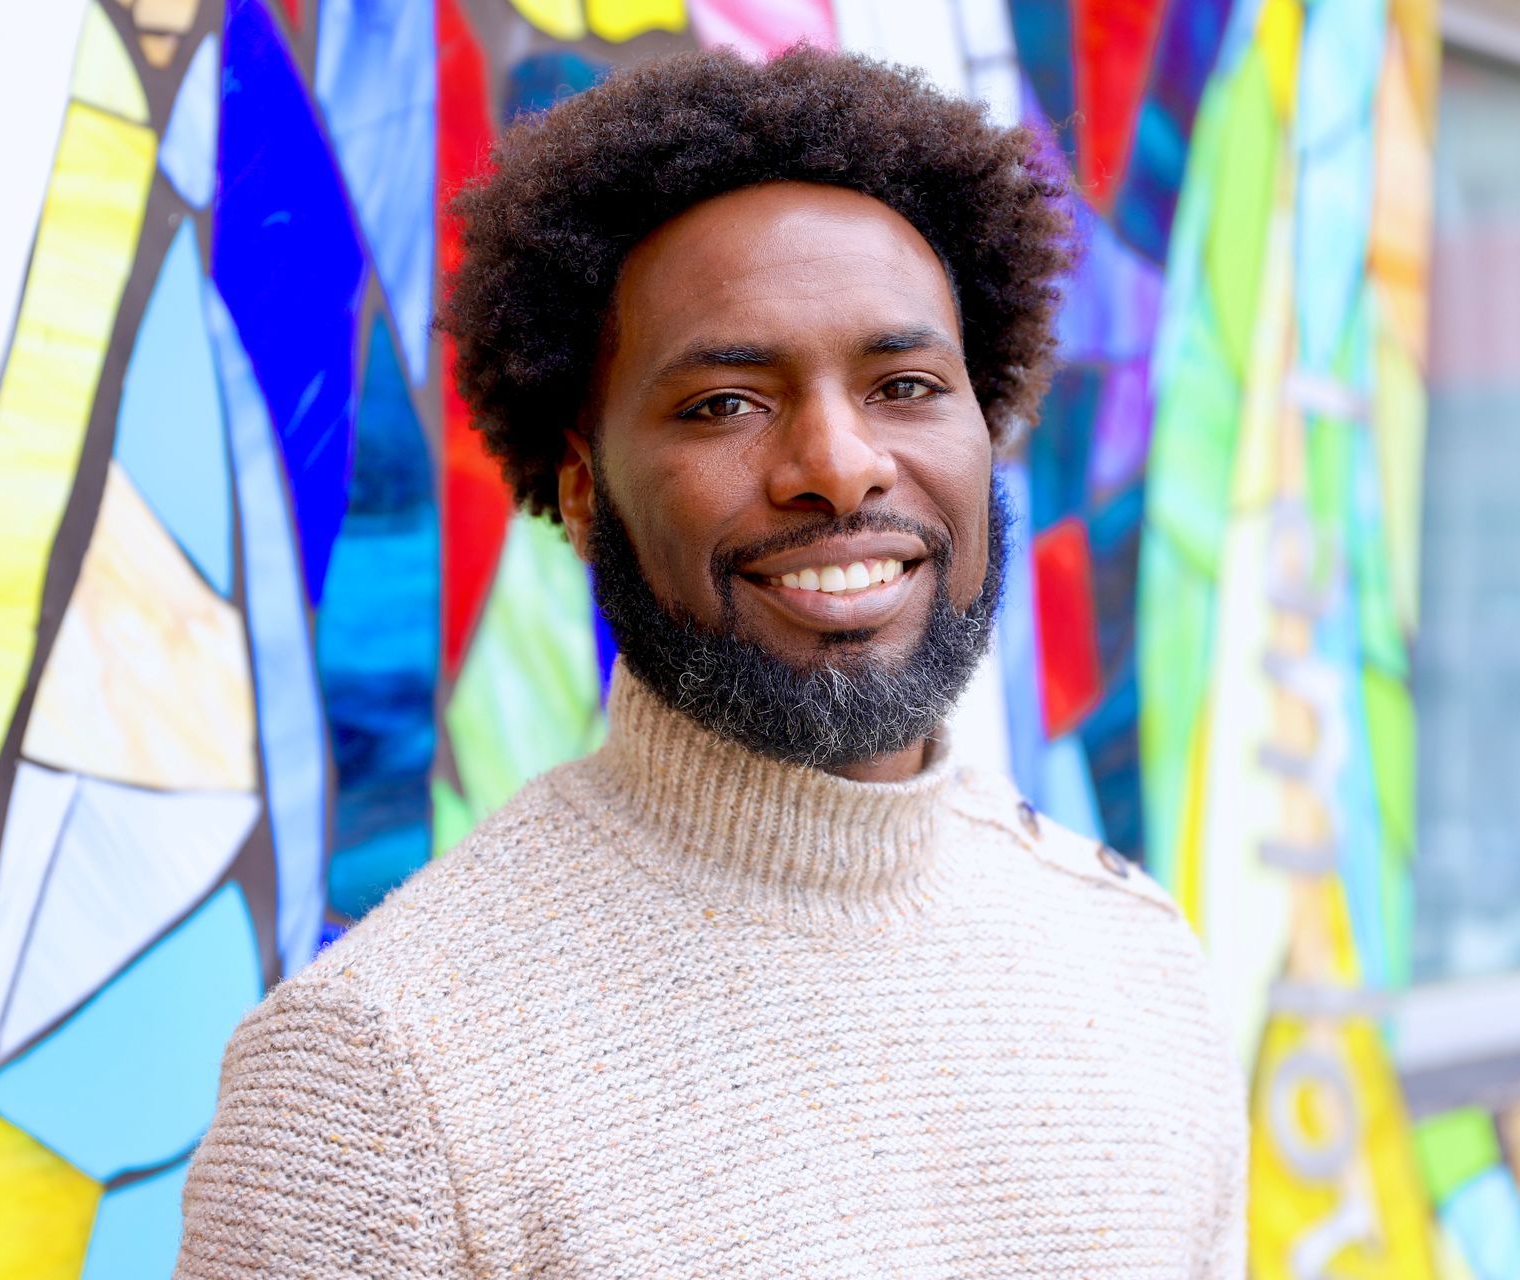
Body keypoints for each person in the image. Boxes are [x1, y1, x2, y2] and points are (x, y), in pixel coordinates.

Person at [175, 44, 1247, 1279]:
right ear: (582, 487)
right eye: (725, 403)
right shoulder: (378, 1078)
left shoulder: (1135, 961)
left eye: (904, 383)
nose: (840, 466)